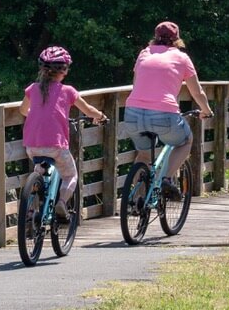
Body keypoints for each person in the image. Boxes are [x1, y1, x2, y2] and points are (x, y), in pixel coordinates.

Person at [124, 21, 214, 198]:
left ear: (155, 37)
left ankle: (135, 201)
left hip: (133, 113)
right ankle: (166, 179)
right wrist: (207, 111)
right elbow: (197, 92)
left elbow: (137, 84)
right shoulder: (182, 58)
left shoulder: (144, 53)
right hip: (164, 114)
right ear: (177, 39)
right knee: (185, 141)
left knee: (143, 155)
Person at [17, 46, 107, 219]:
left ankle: (31, 207)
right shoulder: (68, 91)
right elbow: (88, 110)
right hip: (56, 146)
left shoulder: (32, 89)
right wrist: (101, 116)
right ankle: (62, 202)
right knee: (70, 175)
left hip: (32, 146)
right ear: (64, 70)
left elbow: (22, 110)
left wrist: (37, 115)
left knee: (40, 172)